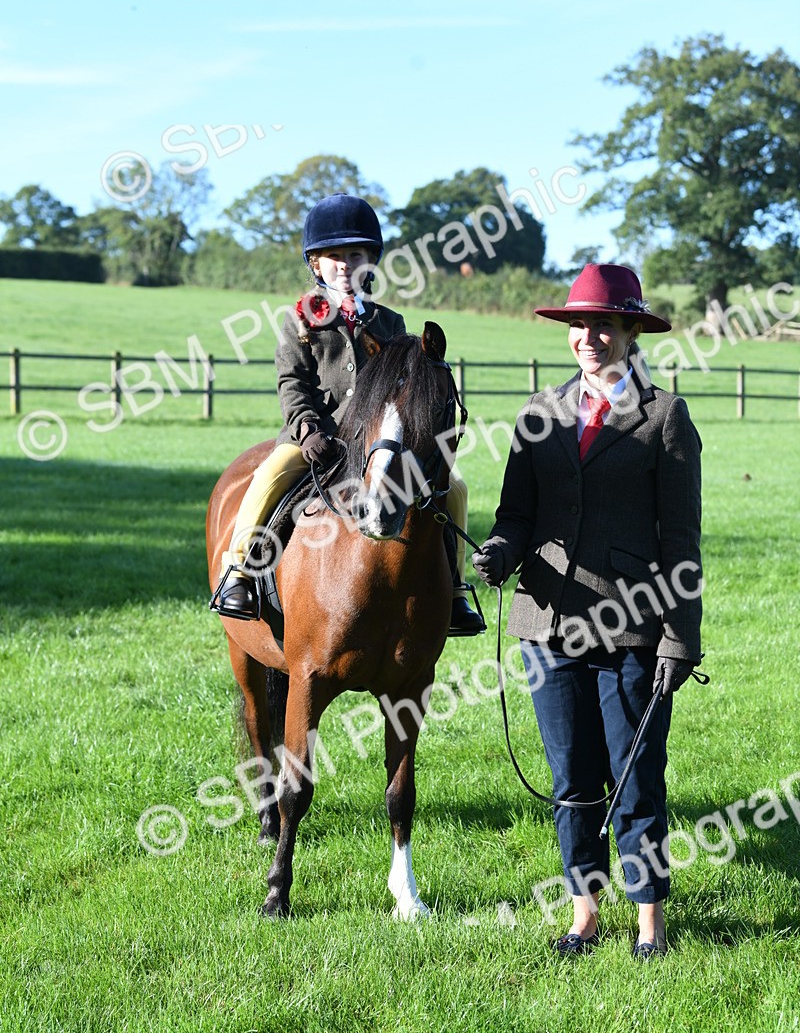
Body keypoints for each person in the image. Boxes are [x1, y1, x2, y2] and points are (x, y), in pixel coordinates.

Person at [473, 263, 703, 960]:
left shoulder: (664, 418)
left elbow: (683, 538)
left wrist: (679, 641)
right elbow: (516, 515)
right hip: (547, 628)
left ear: (633, 330)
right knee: (571, 779)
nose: (590, 337)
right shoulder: (540, 412)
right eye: (580, 325)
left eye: (604, 324)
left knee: (637, 781)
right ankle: (583, 916)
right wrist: (499, 553)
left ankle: (650, 926)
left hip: (634, 628)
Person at [211, 192, 484, 637]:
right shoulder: (299, 319)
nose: (344, 264)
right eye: (333, 256)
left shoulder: (391, 323)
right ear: (316, 264)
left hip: (376, 443)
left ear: (371, 261)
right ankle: (241, 571)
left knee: (454, 487)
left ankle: (453, 590)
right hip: (317, 442)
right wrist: (306, 429)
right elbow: (292, 383)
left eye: (354, 254)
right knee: (269, 474)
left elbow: (403, 387)